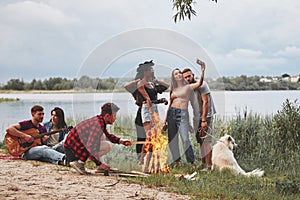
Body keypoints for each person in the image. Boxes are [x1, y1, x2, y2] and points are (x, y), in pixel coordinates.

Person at [64, 102, 132, 175]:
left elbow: (108, 136)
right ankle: (79, 163)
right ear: (107, 116)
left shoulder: (100, 121)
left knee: (103, 137)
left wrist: (121, 141)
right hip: (72, 152)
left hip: (72, 149)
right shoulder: (98, 125)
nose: (115, 118)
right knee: (107, 146)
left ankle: (95, 166)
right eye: (114, 116)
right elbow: (90, 147)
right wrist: (99, 164)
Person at [124, 60, 168, 161]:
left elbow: (166, 86)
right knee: (142, 137)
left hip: (152, 109)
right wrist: (139, 80)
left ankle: (149, 158)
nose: (153, 71)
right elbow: (127, 86)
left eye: (152, 69)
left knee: (152, 136)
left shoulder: (152, 84)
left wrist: (155, 81)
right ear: (145, 72)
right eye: (150, 69)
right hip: (143, 111)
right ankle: (141, 159)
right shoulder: (138, 85)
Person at [166, 59, 205, 167]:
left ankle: (192, 163)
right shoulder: (173, 89)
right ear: (173, 77)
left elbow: (199, 83)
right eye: (176, 74)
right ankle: (177, 162)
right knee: (172, 139)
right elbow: (170, 104)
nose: (178, 75)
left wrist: (202, 70)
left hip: (182, 114)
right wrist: (165, 121)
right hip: (171, 114)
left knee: (185, 139)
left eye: (179, 73)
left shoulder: (187, 87)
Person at [183, 67, 216, 171]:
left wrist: (204, 120)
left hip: (206, 116)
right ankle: (202, 163)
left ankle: (209, 166)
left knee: (206, 140)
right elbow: (185, 105)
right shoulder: (188, 88)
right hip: (196, 116)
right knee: (200, 140)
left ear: (193, 75)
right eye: (185, 77)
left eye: (189, 76)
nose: (188, 78)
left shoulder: (203, 85)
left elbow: (206, 102)